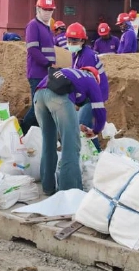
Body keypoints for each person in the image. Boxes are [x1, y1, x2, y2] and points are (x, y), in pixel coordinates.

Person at [34, 66, 106, 194]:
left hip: (38, 96)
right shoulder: (91, 80)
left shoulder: (71, 73)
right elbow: (99, 109)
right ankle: (69, 192)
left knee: (48, 142)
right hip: (58, 97)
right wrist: (96, 130)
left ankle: (48, 187)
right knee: (70, 145)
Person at [22, 0, 57, 132]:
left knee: (43, 107)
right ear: (38, 9)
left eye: (50, 10)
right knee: (38, 106)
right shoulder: (33, 25)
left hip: (46, 74)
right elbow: (33, 50)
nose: (48, 13)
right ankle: (23, 131)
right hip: (37, 74)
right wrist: (48, 63)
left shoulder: (46, 27)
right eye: (45, 9)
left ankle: (35, 134)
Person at [66, 23, 109, 132]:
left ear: (83, 41)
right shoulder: (76, 53)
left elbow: (86, 83)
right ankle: (94, 143)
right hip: (88, 93)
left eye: (74, 42)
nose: (70, 44)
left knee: (80, 124)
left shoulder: (87, 56)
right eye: (69, 41)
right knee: (87, 128)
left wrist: (77, 101)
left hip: (94, 93)